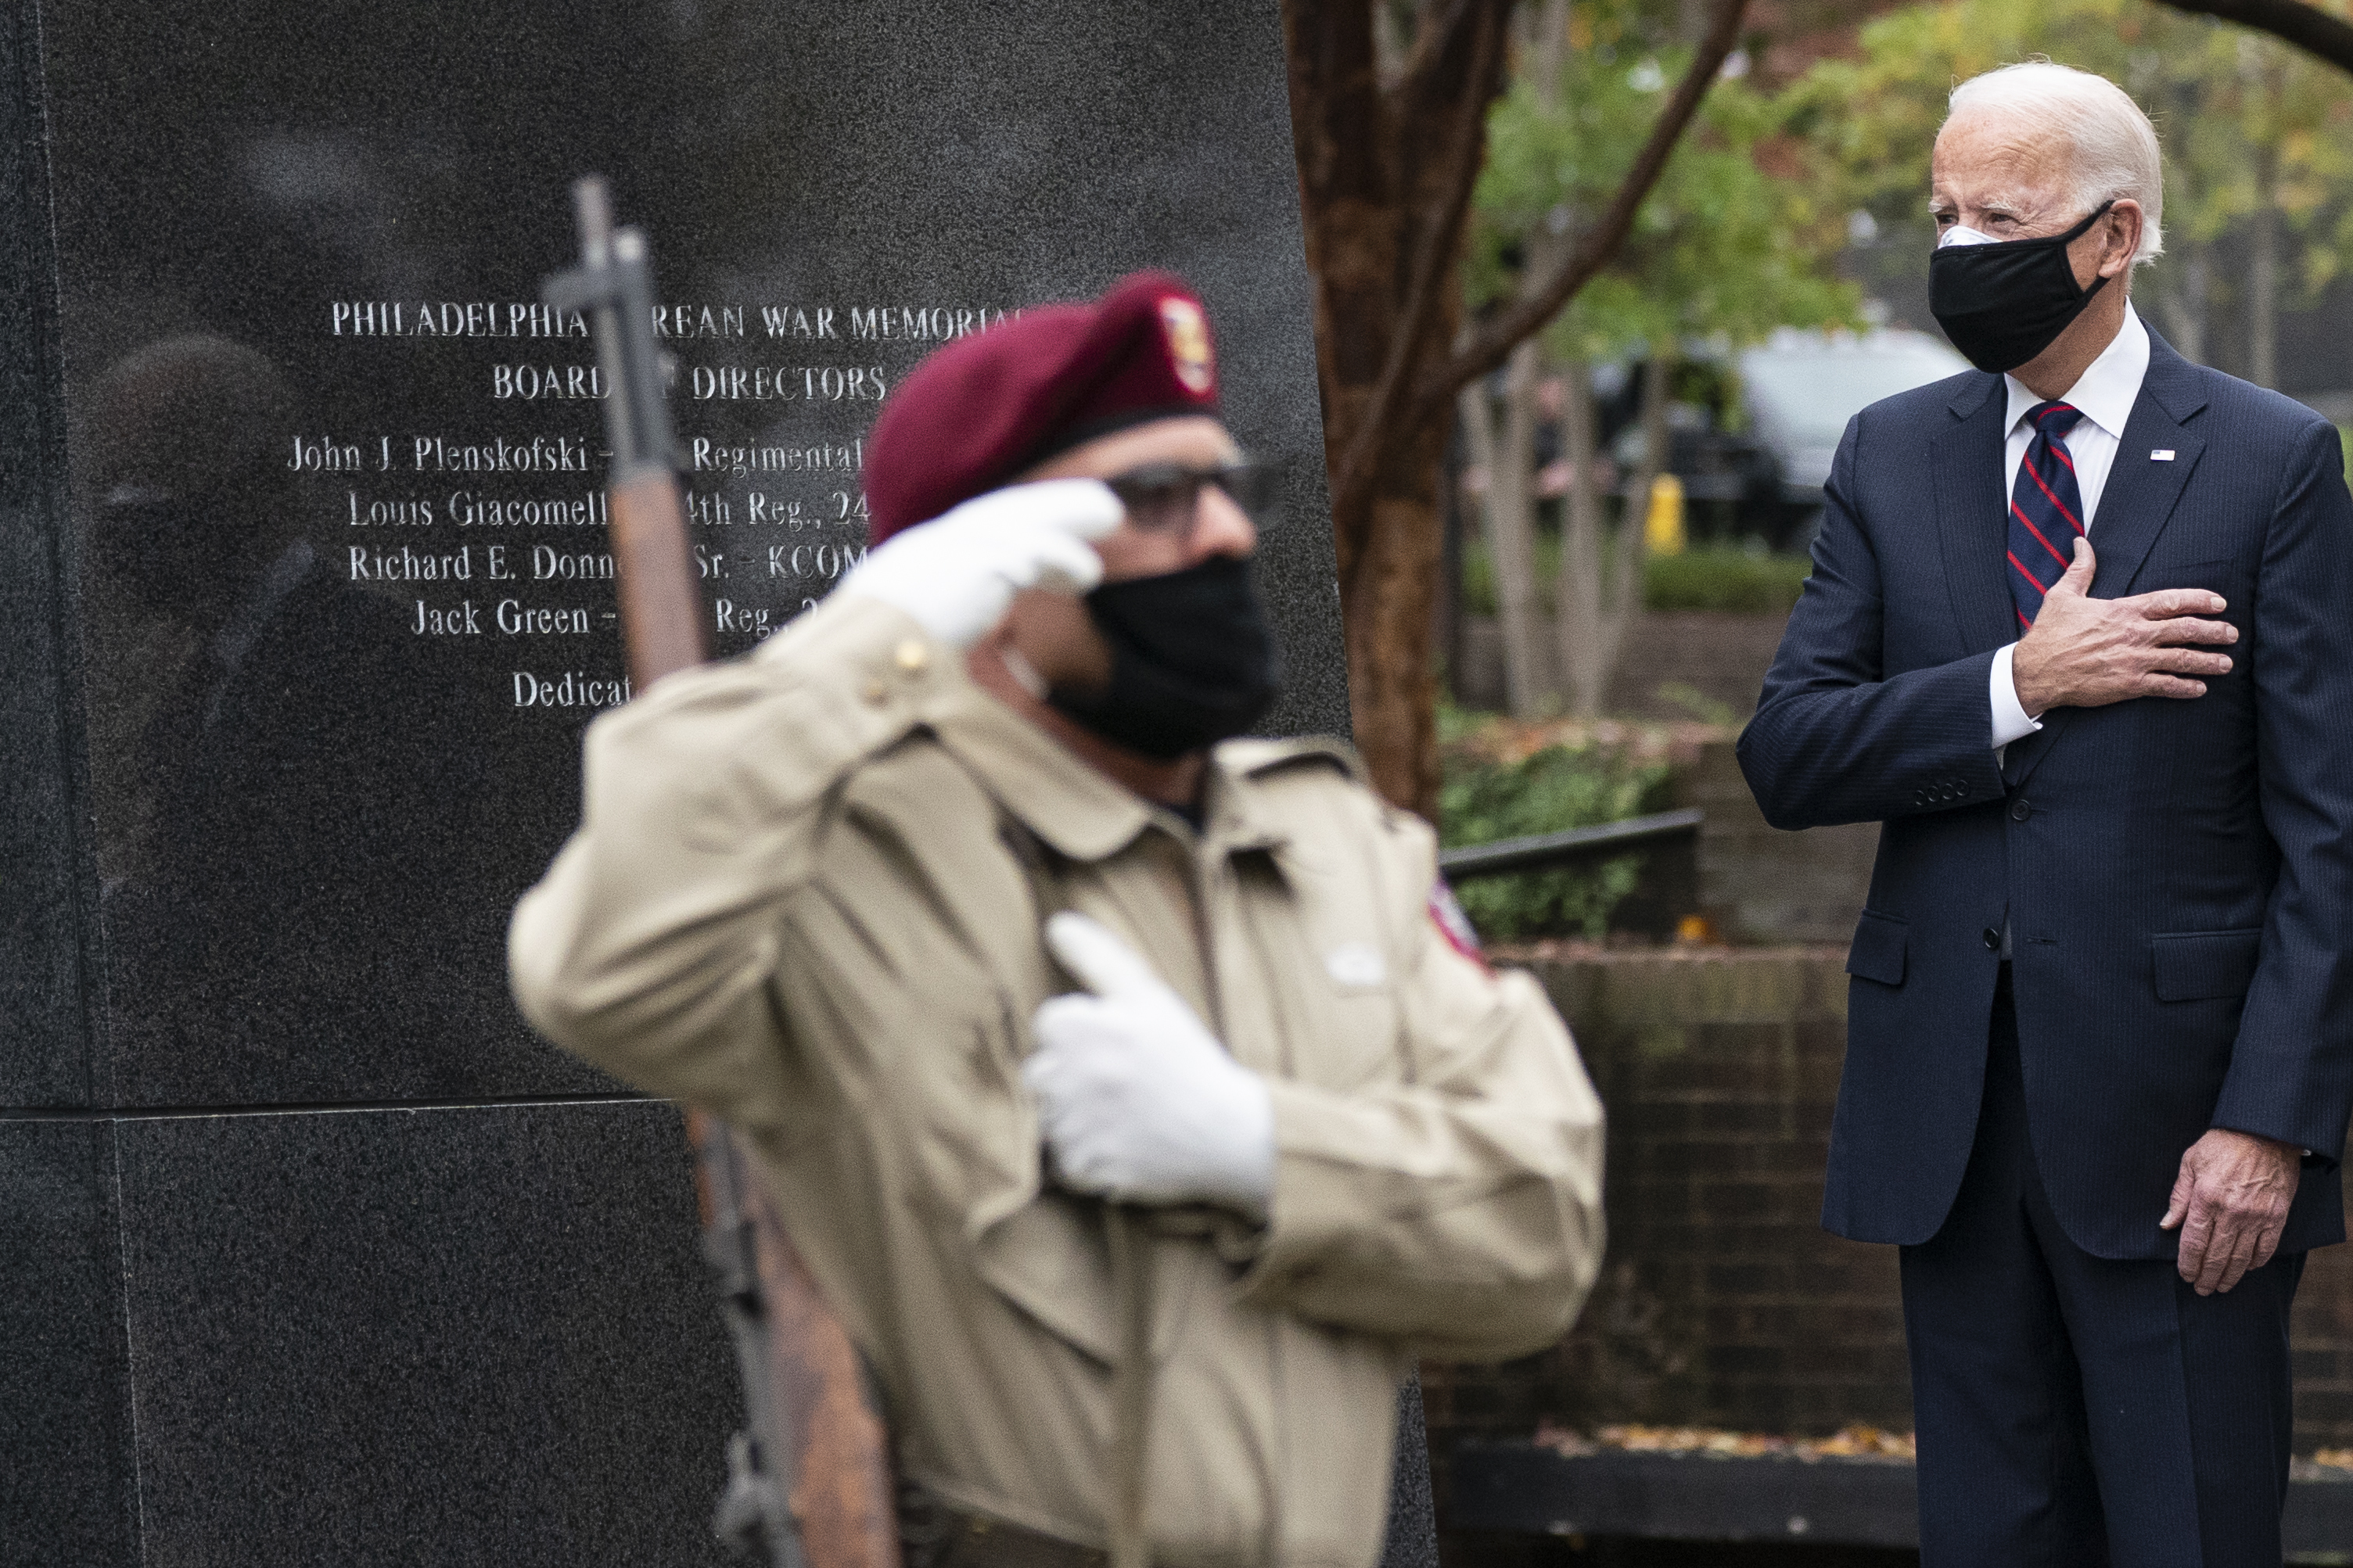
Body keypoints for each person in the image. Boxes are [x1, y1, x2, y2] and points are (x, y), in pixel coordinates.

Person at [508, 273, 1604, 1568]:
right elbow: (596, 963)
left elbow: (1542, 1230)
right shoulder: (852, 858)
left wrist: (1260, 1154)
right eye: (1150, 499)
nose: (1222, 536)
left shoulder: (1332, 843)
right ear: (991, 572)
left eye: (1225, 488)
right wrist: (868, 641)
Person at [1739, 63, 2353, 1566]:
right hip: (1945, 1128)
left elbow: (2330, 831)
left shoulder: (2272, 459)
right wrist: (2020, 678)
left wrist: (2270, 1123)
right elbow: (1791, 753)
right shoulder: (1894, 450)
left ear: (2112, 234)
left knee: (2189, 1536)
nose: (1956, 248)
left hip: (2181, 1141)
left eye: (1996, 216)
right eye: (1941, 211)